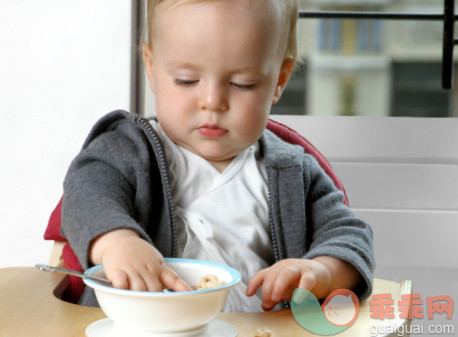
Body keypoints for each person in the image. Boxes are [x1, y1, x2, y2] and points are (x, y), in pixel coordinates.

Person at [61, 0, 374, 312]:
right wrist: (117, 242)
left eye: (242, 84)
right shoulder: (125, 150)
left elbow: (349, 235)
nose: (212, 102)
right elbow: (86, 194)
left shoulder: (293, 172)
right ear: (151, 68)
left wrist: (322, 271)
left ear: (278, 80)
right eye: (187, 80)